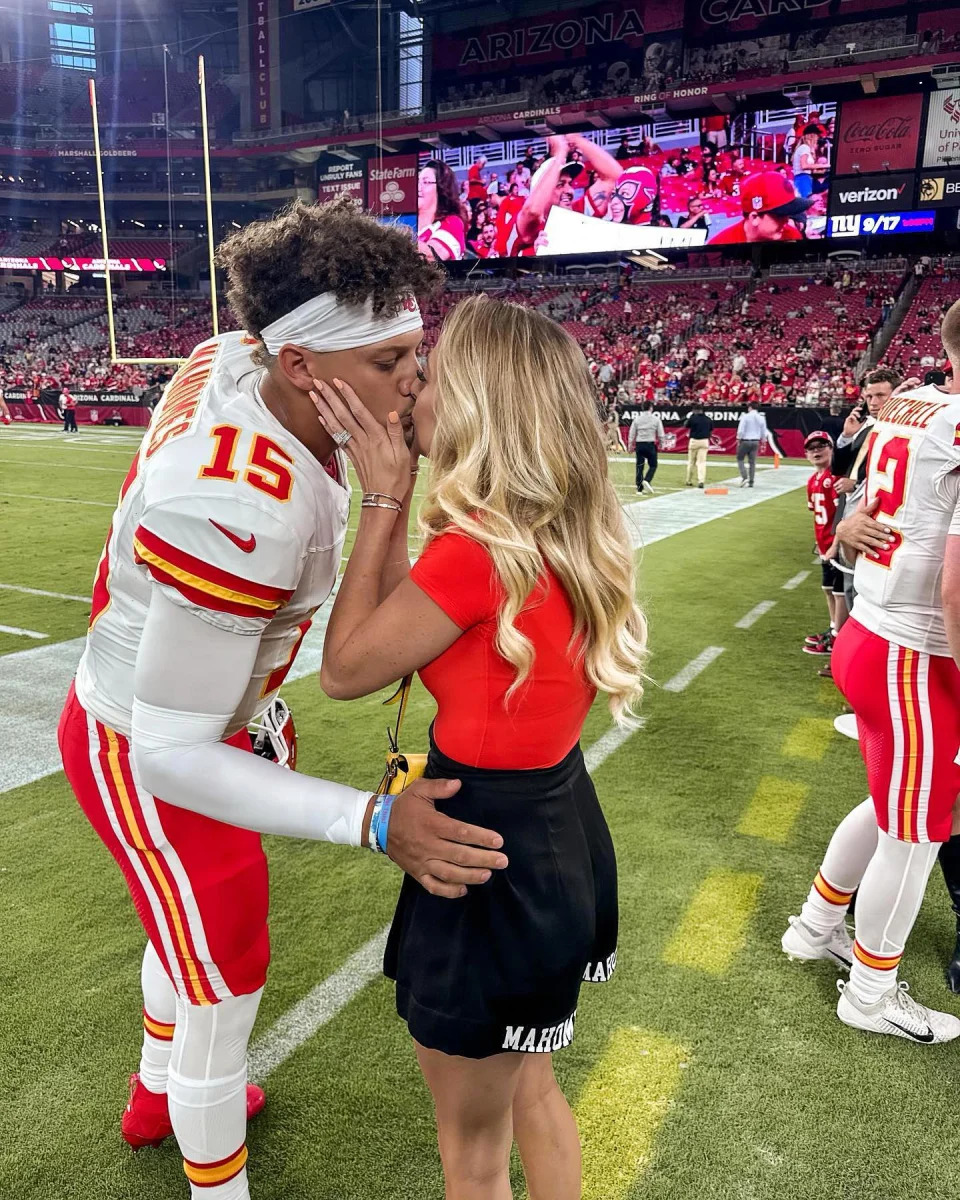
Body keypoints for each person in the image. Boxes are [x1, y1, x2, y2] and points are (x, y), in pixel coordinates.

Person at [57, 200, 507, 1200]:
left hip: (207, 703)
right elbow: (170, 752)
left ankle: (154, 1091)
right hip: (147, 741)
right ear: (302, 366)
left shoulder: (249, 355)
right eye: (389, 362)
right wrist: (372, 818)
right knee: (225, 972)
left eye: (412, 356)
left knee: (185, 935)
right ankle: (214, 1179)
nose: (414, 382)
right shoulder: (239, 504)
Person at [309, 295, 646, 1200]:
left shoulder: (477, 551)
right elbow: (396, 643)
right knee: (530, 1087)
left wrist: (382, 495)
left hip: (485, 852)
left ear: (477, 405)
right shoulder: (561, 528)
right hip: (556, 827)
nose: (412, 388)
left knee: (473, 1154)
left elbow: (345, 669)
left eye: (432, 373)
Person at [782, 302, 960, 1043]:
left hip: (872, 636)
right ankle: (871, 992)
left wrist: (852, 540)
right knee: (918, 833)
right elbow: (954, 586)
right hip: (916, 653)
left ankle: (815, 925)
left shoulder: (916, 402)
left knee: (893, 805)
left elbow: (857, 513)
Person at [802, 431, 847, 657]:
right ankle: (833, 628)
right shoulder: (813, 480)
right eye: (811, 448)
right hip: (824, 544)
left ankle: (839, 637)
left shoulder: (835, 477)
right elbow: (816, 514)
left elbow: (843, 513)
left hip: (836, 545)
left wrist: (835, 545)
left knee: (840, 593)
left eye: (821, 446)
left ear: (831, 448)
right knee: (828, 589)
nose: (816, 451)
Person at [707, 173, 811, 245]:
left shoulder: (791, 235)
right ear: (754, 218)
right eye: (780, 215)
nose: (787, 220)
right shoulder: (719, 246)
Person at [418, 160, 467, 262]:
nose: (418, 187)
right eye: (417, 181)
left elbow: (430, 256)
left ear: (441, 189)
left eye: (426, 182)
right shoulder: (406, 223)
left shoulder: (453, 222)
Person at [627, 400, 665, 493]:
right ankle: (647, 479)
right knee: (653, 465)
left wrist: (630, 444)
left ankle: (639, 488)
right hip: (650, 444)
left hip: (640, 444)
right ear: (651, 408)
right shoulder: (656, 419)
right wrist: (661, 443)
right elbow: (660, 433)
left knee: (639, 466)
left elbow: (632, 433)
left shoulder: (637, 419)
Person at [736, 400, 767, 488]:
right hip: (755, 441)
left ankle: (744, 476)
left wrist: (738, 438)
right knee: (752, 462)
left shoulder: (745, 417)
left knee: (740, 458)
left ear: (750, 407)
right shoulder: (761, 417)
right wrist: (763, 441)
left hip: (745, 440)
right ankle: (751, 481)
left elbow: (741, 429)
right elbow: (763, 431)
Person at [685, 403, 713, 488]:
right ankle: (701, 481)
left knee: (691, 462)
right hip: (704, 441)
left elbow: (686, 425)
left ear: (695, 410)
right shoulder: (708, 419)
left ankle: (689, 480)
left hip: (694, 440)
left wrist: (691, 417)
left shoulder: (693, 418)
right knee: (701, 463)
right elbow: (711, 430)